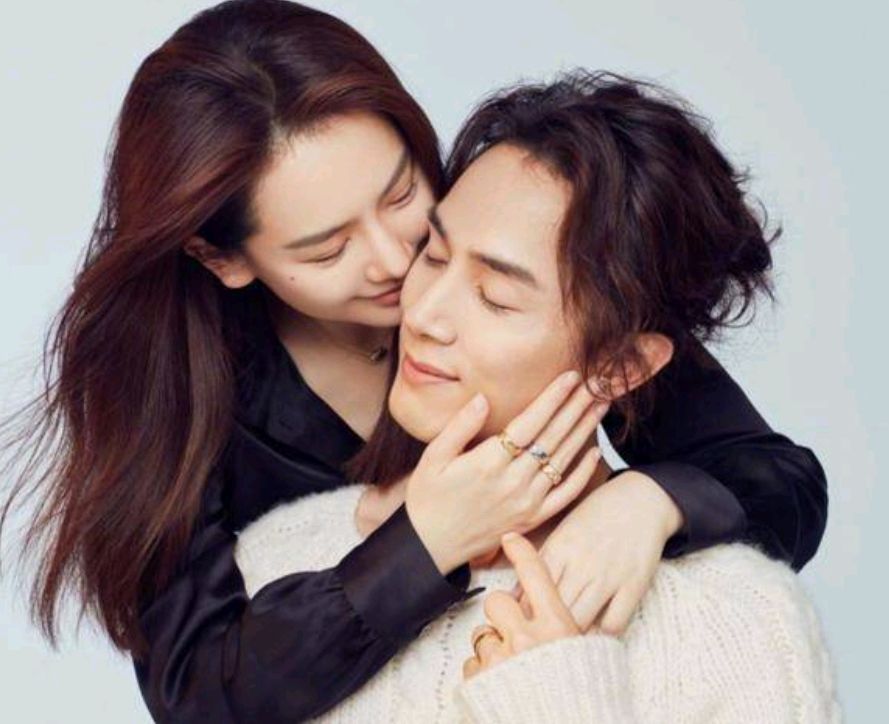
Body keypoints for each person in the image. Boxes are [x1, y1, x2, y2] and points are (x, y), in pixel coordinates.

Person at [0, 2, 827, 722]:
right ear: (223, 259)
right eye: (327, 249)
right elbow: (199, 692)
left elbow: (772, 475)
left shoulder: (521, 257)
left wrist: (648, 502)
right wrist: (426, 541)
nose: (402, 267)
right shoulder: (175, 399)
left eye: (402, 197)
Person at [233, 70, 839, 723]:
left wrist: (555, 696)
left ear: (621, 366)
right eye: (432, 256)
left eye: (495, 298)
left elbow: (779, 476)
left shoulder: (736, 617)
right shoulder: (278, 561)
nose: (422, 313)